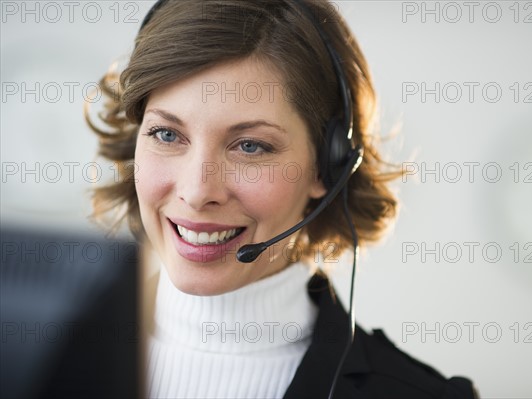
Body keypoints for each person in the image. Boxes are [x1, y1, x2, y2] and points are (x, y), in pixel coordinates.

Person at [87, 0, 478, 397]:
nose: (198, 192)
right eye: (167, 135)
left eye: (251, 146)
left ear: (327, 166)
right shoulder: (54, 350)